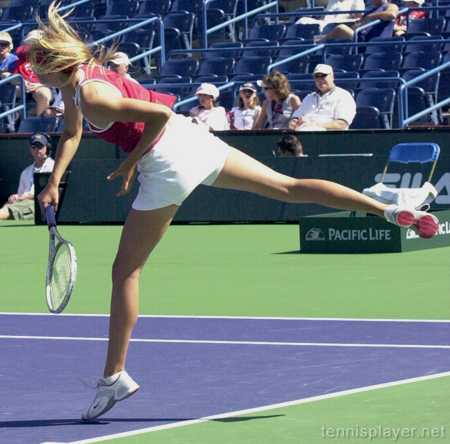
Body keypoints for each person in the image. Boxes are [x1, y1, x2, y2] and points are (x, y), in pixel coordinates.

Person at [32, 2, 438, 422]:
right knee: (288, 187)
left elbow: (159, 114)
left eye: (36, 69)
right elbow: (71, 132)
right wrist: (54, 180)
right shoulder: (81, 83)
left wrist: (130, 163)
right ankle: (385, 208)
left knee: (125, 272)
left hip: (165, 160)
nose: (33, 77)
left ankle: (114, 375)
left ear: (53, 66)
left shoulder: (92, 95)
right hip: (194, 140)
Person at [0, 133, 54, 220]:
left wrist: (24, 197)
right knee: (6, 205)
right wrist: (15, 197)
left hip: (40, 205)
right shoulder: (25, 172)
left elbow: (49, 194)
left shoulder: (53, 167)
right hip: (23, 204)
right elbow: (20, 195)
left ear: (46, 148)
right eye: (34, 147)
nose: (37, 150)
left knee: (7, 211)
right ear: (30, 149)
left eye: (40, 146)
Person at [289, 64, 356, 131]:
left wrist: (314, 125)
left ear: (332, 77)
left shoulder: (344, 96)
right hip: (303, 133)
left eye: (323, 76)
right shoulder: (309, 98)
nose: (320, 79)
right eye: (317, 76)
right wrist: (294, 122)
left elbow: (342, 124)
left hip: (328, 135)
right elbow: (296, 117)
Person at [317, 0, 399, 43]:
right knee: (335, 30)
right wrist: (357, 24)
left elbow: (392, 14)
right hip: (361, 36)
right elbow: (360, 23)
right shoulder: (369, 10)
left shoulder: (390, 6)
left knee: (340, 28)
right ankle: (318, 41)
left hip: (372, 40)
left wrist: (370, 17)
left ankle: (319, 41)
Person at [14, 30, 54, 116]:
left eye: (36, 42)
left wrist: (40, 85)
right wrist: (23, 83)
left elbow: (57, 79)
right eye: (30, 43)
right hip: (24, 86)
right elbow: (14, 75)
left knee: (44, 94)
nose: (32, 45)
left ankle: (39, 122)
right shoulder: (22, 56)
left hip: (42, 86)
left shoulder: (50, 57)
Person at [296, 0, 365, 33]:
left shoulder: (356, 1)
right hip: (324, 23)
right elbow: (325, 16)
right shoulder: (332, 1)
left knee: (321, 28)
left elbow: (358, 18)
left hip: (336, 25)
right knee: (302, 20)